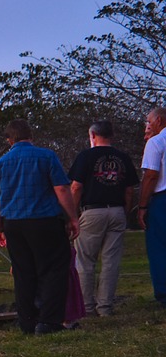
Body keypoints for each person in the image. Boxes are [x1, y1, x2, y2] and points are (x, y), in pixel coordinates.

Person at [0, 119, 80, 335]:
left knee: (23, 273)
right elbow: (61, 189)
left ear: (9, 140)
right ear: (31, 136)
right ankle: (49, 322)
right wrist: (72, 217)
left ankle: (27, 322)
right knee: (53, 270)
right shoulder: (46, 156)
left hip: (13, 223)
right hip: (44, 220)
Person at [67, 120, 139, 317]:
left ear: (92, 136)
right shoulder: (123, 157)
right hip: (116, 211)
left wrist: (72, 215)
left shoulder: (86, 156)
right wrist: (124, 211)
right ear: (111, 135)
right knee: (111, 261)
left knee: (85, 260)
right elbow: (129, 189)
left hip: (92, 211)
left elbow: (76, 187)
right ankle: (105, 307)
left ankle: (87, 307)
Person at [139, 106, 166, 306]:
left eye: (149, 121)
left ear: (159, 121)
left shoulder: (157, 142)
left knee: (159, 245)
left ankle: (163, 292)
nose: (147, 125)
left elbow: (151, 174)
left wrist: (142, 205)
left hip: (162, 198)